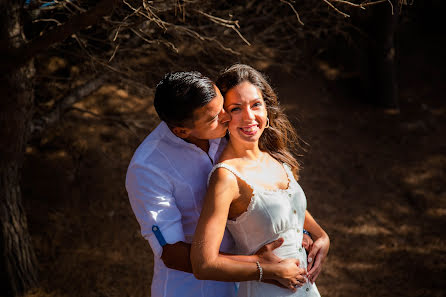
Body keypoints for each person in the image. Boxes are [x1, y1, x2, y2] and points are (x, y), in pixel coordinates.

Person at [125, 71, 313, 297]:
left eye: (224, 106)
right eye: (215, 117)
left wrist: (303, 230)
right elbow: (170, 252)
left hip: (252, 286)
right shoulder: (148, 168)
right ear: (182, 131)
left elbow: (261, 186)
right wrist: (259, 265)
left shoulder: (222, 127)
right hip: (194, 289)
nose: (227, 117)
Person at [191, 64, 330, 297]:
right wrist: (266, 269)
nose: (249, 117)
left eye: (256, 105)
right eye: (235, 108)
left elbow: (292, 211)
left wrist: (323, 237)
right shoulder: (226, 176)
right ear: (224, 116)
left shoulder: (276, 158)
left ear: (267, 109)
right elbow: (203, 264)